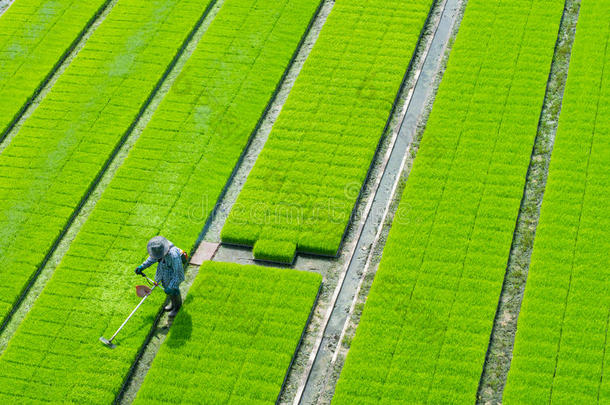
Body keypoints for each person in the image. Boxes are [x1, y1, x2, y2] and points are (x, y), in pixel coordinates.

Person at [135, 236, 186, 318]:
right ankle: (173, 304)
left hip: (173, 273)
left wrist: (171, 287)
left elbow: (178, 274)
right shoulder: (158, 247)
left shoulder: (174, 256)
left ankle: (177, 308)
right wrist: (142, 266)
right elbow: (152, 258)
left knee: (174, 290)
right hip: (165, 270)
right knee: (166, 287)